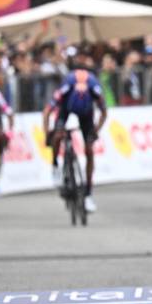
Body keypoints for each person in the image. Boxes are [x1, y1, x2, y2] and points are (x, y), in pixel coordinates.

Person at [44, 59, 108, 213]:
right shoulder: (66, 88)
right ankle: (55, 165)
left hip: (87, 115)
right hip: (66, 109)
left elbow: (104, 113)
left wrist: (96, 131)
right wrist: (48, 133)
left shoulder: (94, 88)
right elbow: (47, 111)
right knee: (58, 135)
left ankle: (88, 193)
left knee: (89, 151)